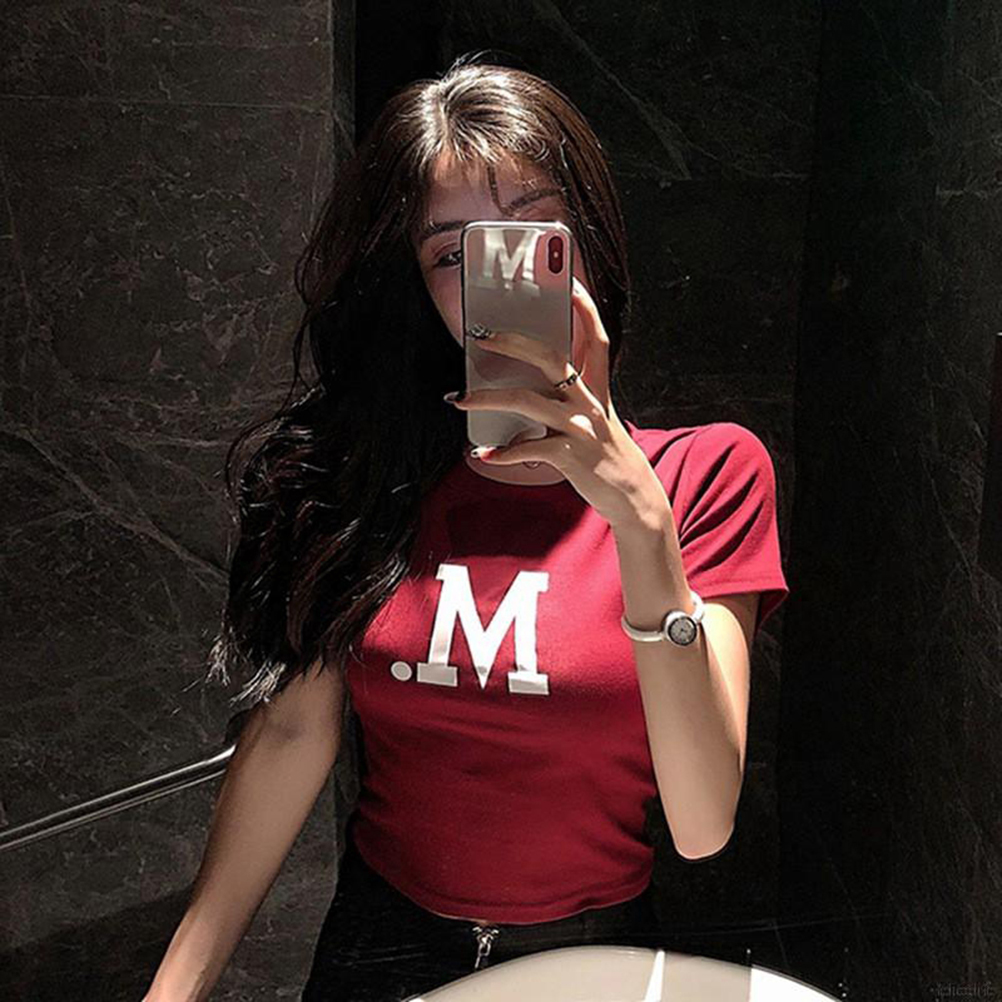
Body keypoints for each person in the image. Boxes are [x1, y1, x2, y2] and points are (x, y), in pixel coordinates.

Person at [142, 52, 790, 1002]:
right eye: (454, 255)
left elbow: (700, 823)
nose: (498, 279)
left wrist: (642, 525)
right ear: (419, 285)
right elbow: (290, 735)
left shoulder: (709, 474)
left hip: (590, 962)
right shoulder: (365, 479)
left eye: (534, 234)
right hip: (379, 949)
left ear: (589, 241)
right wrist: (172, 991)